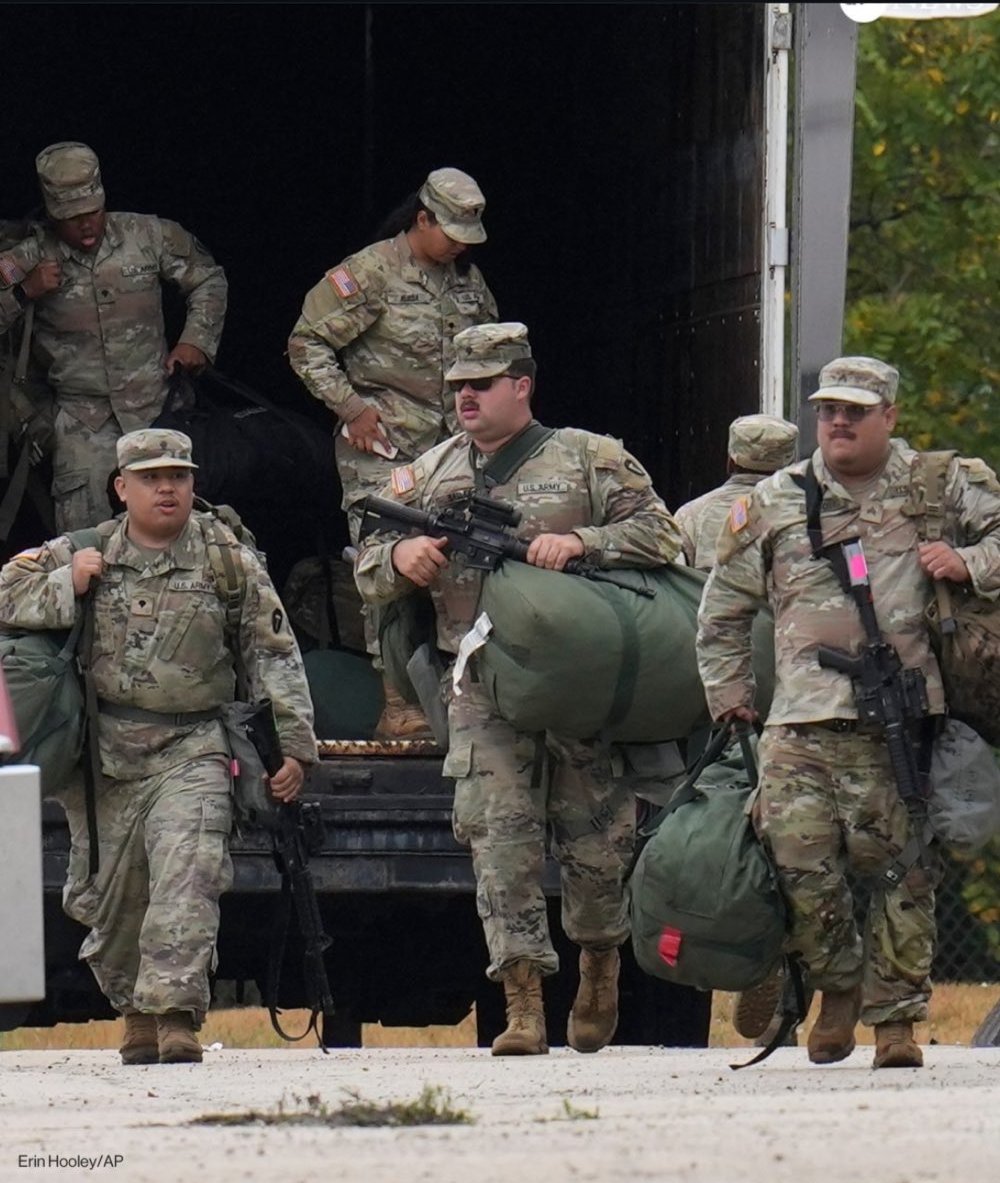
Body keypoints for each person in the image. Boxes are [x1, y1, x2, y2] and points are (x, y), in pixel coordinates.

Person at [355, 322, 681, 1056]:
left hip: (576, 687)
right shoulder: (430, 472)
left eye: (482, 383)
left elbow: (664, 535)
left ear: (522, 385)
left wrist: (583, 543)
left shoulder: (591, 458)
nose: (466, 396)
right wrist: (403, 555)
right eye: (457, 386)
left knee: (597, 849)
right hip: (479, 683)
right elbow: (367, 563)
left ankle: (598, 962)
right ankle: (523, 1000)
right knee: (498, 840)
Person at [696, 356, 1000, 1069]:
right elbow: (723, 610)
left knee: (902, 870)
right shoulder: (775, 499)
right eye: (828, 409)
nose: (838, 421)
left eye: (856, 411)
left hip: (905, 715)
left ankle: (894, 1023)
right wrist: (728, 694)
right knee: (800, 864)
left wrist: (968, 562)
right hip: (799, 719)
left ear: (889, 417)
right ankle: (835, 980)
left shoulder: (942, 482)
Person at [0, 428, 316, 1065]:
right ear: (122, 489)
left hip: (194, 744)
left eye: (178, 476)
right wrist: (67, 585)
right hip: (105, 753)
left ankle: (176, 1014)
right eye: (150, 477)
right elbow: (5, 591)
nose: (167, 487)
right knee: (111, 897)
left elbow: (273, 654)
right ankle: (136, 1012)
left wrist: (294, 749)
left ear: (194, 484)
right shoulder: (85, 549)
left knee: (190, 875)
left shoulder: (228, 559)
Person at [288, 167, 497, 739]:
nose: (458, 245)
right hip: (386, 451)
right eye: (449, 231)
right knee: (387, 566)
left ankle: (459, 698)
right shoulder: (370, 272)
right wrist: (350, 407)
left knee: (460, 567)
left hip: (454, 452)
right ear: (422, 218)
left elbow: (493, 356)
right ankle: (397, 704)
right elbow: (307, 343)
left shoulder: (467, 283)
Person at [0, 143, 228, 534]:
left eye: (93, 213)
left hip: (157, 411)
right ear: (53, 216)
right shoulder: (28, 256)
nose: (86, 226)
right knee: (87, 552)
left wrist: (196, 341)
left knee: (179, 538)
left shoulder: (148, 235)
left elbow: (207, 278)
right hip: (81, 426)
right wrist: (23, 293)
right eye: (72, 219)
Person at [675, 414, 798, 571]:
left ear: (730, 463)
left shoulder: (690, 516)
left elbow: (673, 584)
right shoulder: (809, 516)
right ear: (791, 465)